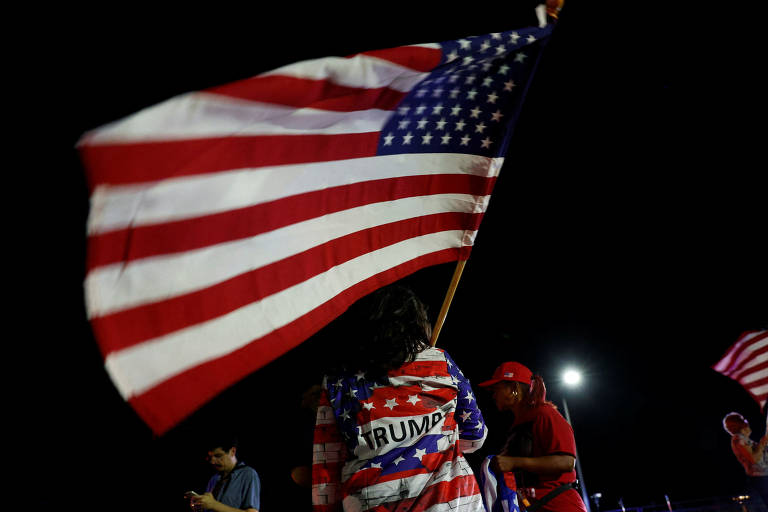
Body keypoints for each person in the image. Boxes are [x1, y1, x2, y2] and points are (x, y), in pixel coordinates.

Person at [311, 284, 488, 511]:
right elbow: (475, 434)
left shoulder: (337, 380)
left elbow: (326, 466)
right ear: (417, 323)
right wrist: (437, 438)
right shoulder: (440, 362)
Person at [478, 361, 586, 512]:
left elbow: (567, 462)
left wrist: (514, 462)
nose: (493, 395)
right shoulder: (518, 424)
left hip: (561, 506)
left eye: (496, 389)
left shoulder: (545, 414)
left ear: (514, 388)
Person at [190, 436, 261, 512]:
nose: (212, 462)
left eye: (218, 456)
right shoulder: (214, 478)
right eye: (210, 457)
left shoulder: (248, 474)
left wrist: (213, 505)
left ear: (233, 451)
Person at [723, 412, 768, 506]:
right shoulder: (738, 439)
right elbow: (754, 459)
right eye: (742, 419)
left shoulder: (743, 439)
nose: (745, 421)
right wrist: (762, 443)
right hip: (760, 477)